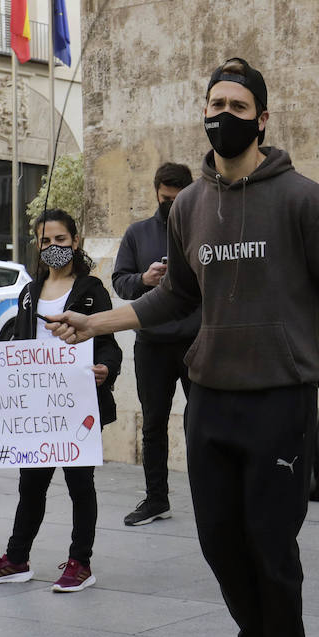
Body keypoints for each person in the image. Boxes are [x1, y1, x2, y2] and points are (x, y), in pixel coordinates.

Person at [47, 57, 319, 637]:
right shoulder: (190, 206)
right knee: (218, 537)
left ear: (262, 119)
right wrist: (94, 321)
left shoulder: (301, 198)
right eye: (215, 104)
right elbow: (173, 298)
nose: (223, 116)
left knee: (269, 535)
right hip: (211, 397)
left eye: (237, 107)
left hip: (280, 396)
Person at [0, 209, 122, 593]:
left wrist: (104, 367)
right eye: (45, 241)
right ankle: (16, 559)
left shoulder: (92, 291)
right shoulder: (28, 293)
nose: (52, 247)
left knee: (79, 484)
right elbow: (14, 349)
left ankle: (80, 562)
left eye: (60, 240)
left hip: (77, 405)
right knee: (31, 486)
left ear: (74, 242)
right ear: (37, 246)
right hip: (37, 409)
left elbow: (108, 345)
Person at [111, 161, 197, 526]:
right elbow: (120, 282)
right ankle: (156, 499)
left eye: (178, 199)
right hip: (152, 343)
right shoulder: (137, 233)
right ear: (156, 192)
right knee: (153, 425)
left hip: (197, 340)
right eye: (165, 199)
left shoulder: (205, 228)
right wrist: (145, 279)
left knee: (205, 423)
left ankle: (213, 498)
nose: (171, 205)